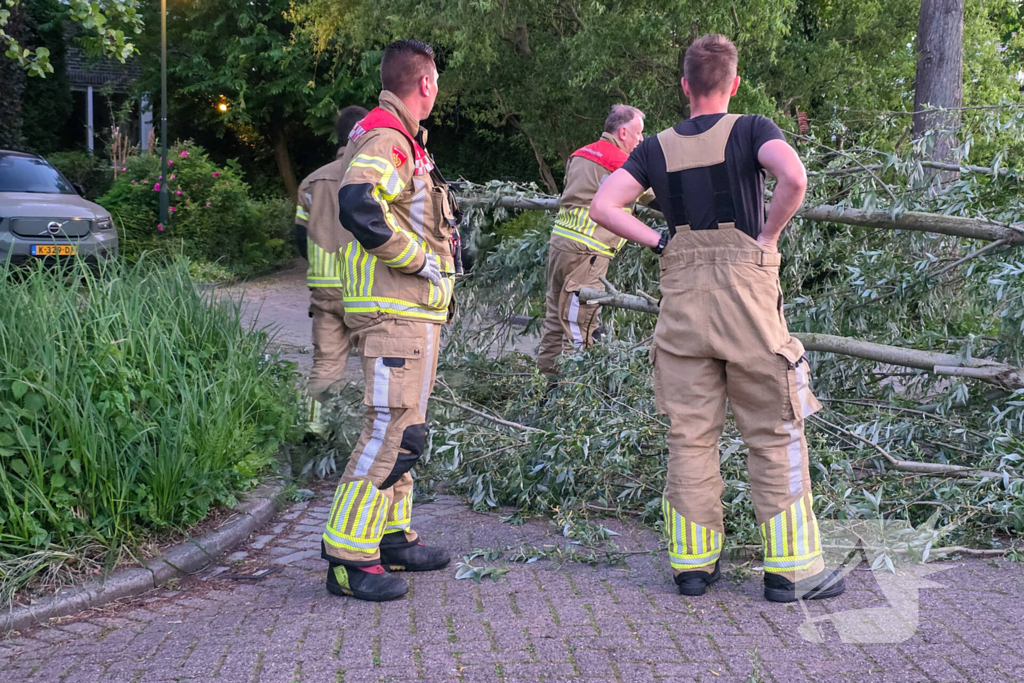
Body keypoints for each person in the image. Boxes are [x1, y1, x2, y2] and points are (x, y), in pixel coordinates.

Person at [590, 34, 845, 603]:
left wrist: (660, 240)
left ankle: (692, 566)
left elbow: (603, 206)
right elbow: (794, 179)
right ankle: (792, 570)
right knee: (775, 431)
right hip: (747, 299)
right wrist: (768, 234)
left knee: (690, 436)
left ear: (684, 86)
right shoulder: (752, 128)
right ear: (733, 83)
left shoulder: (653, 147)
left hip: (682, 301)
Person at [320, 39, 461, 602]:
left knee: (408, 432)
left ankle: (392, 536)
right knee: (392, 433)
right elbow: (359, 204)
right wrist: (419, 259)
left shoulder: (402, 140)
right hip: (394, 311)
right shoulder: (388, 138)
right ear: (425, 84)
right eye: (436, 83)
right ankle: (348, 556)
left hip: (411, 313)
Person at [536, 104, 647, 377]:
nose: (641, 139)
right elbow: (649, 193)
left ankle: (544, 390)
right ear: (623, 132)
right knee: (579, 326)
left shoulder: (580, 153)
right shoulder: (620, 162)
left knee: (554, 320)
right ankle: (572, 397)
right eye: (639, 133)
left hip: (560, 244)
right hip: (589, 252)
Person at [294, 105, 369, 433]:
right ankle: (373, 437)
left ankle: (314, 431)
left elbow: (301, 238)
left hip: (325, 293)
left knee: (325, 365)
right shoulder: (374, 176)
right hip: (367, 293)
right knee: (379, 369)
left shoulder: (311, 183)